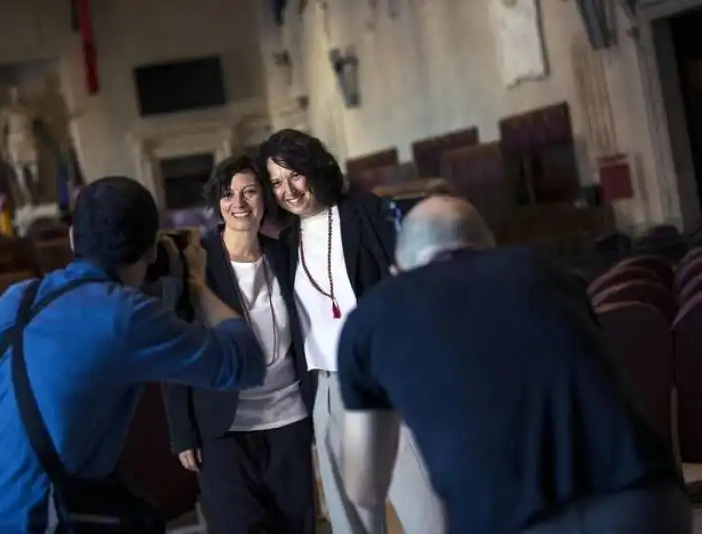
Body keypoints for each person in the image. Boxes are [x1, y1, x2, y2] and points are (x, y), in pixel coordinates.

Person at [337, 195, 690, 534]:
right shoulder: (543, 271)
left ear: (397, 270)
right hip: (645, 499)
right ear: (488, 245)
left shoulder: (369, 319)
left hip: (506, 519)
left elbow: (365, 492)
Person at [0, 176, 267, 534]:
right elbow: (246, 362)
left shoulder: (12, 301)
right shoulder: (124, 315)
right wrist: (196, 283)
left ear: (72, 239)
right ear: (151, 251)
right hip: (32, 523)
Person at [258, 129, 442, 533]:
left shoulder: (366, 213)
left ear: (314, 168)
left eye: (294, 175)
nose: (287, 190)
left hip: (383, 381)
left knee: (426, 511)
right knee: (350, 521)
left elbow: (407, 288)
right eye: (275, 182)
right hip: (327, 391)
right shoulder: (284, 245)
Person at [164, 156, 316, 534]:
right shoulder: (194, 262)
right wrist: (181, 431)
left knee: (295, 527)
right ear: (217, 201)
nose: (239, 203)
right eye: (228, 194)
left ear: (264, 197)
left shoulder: (284, 254)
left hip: (288, 419)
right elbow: (175, 350)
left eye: (249, 191)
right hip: (223, 427)